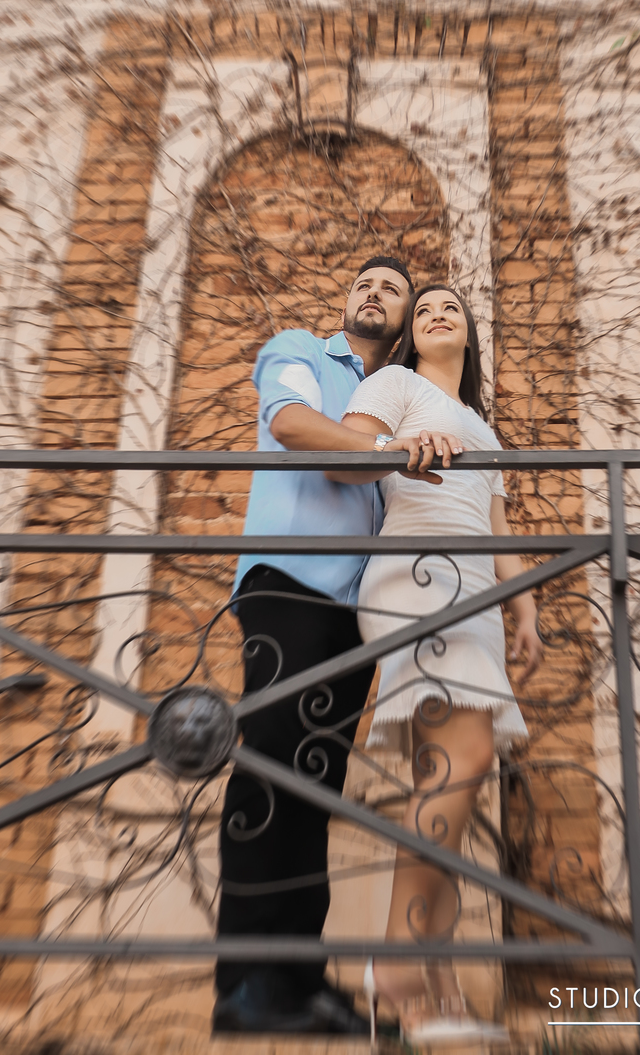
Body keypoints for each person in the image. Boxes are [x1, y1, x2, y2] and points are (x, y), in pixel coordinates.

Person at [213, 256, 465, 1040]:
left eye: (391, 288)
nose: (373, 292)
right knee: (271, 769)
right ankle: (245, 984)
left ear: (405, 317)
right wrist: (390, 451)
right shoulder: (300, 349)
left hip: (356, 613)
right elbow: (291, 427)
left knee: (314, 786)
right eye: (364, 283)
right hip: (289, 585)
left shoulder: (394, 395)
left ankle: (296, 981)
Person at [340, 283, 545, 1047]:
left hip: (476, 594)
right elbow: (348, 454)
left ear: (469, 332)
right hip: (415, 573)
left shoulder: (483, 427)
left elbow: (497, 528)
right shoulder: (395, 384)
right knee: (465, 758)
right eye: (422, 308)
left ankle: (438, 977)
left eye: (450, 306)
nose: (435, 313)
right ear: (411, 333)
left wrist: (524, 607)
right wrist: (398, 451)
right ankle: (397, 962)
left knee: (449, 786)